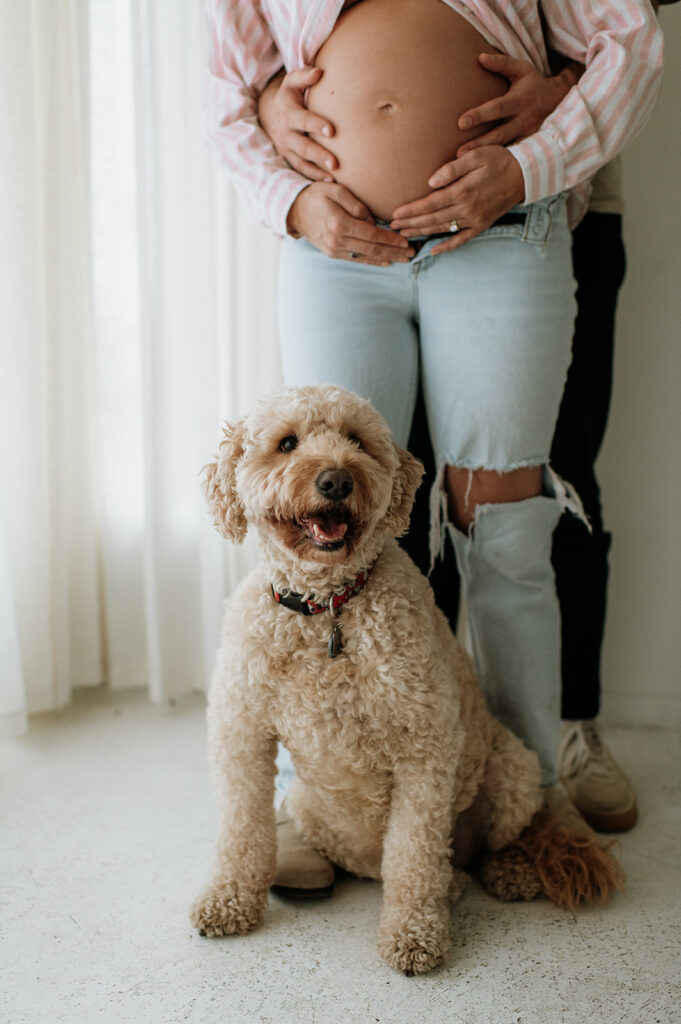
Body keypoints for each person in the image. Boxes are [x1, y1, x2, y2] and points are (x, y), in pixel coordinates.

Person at [204, 0, 663, 887]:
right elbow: (229, 87)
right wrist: (290, 198)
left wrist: (529, 166)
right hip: (333, 250)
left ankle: (524, 800)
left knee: (506, 529)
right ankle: (313, 799)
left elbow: (628, 41)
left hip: (501, 234)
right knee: (317, 533)